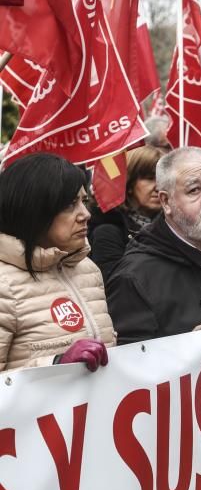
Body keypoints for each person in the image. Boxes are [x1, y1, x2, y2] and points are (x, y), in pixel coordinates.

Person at [106, 147, 201, 343]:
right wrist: (185, 350)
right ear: (166, 201)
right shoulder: (134, 277)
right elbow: (128, 363)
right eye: (194, 190)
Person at [0, 154, 114, 371]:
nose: (86, 214)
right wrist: (56, 365)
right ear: (34, 210)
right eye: (70, 205)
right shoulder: (4, 285)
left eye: (84, 201)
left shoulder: (88, 270)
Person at [89, 145, 163, 285]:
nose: (158, 187)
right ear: (129, 183)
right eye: (149, 178)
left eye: (162, 179)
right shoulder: (108, 232)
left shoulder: (174, 224)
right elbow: (117, 288)